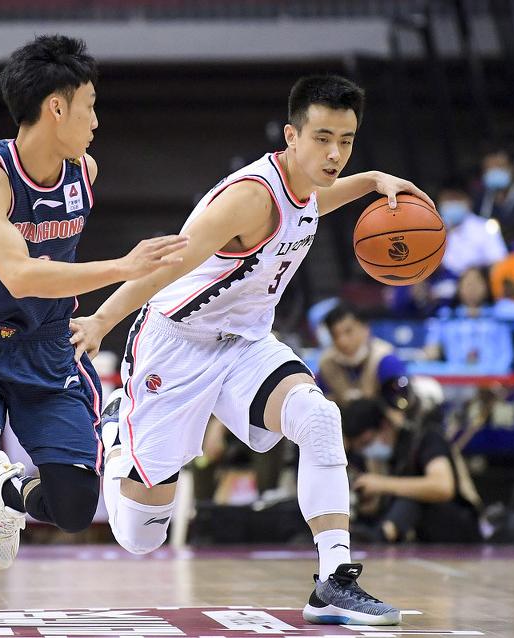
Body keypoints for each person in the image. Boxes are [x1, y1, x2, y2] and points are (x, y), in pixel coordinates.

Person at [71, 75, 434, 626]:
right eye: (322, 138)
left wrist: (375, 181)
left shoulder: (308, 186)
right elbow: (167, 265)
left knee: (318, 417)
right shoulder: (247, 199)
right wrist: (100, 320)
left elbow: (323, 199)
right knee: (142, 537)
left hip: (244, 346)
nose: (335, 153)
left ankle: (333, 580)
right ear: (292, 135)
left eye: (347, 140)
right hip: (175, 346)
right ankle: (118, 438)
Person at [0, 35, 187, 628]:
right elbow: (17, 271)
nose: (96, 119)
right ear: (57, 107)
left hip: (48, 347)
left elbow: (18, 254)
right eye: (89, 104)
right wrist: (124, 266)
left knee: (72, 507)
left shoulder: (84, 171)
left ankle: (10, 498)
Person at [349, 376, 483, 545]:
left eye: (367, 442)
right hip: (427, 534)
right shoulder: (393, 454)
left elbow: (442, 487)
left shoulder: (427, 438)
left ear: (384, 425)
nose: (367, 450)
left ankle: (382, 535)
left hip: (460, 525)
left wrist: (382, 484)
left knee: (414, 494)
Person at [317, 304, 396, 405]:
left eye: (348, 331)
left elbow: (397, 409)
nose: (342, 341)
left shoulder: (385, 359)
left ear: (365, 329)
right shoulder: (326, 363)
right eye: (335, 335)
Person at [438, 180, 507, 276]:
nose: (452, 203)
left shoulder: (484, 227)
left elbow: (498, 259)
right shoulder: (435, 230)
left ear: (468, 202)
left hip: (480, 280)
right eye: (448, 199)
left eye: (456, 199)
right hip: (444, 283)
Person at [474, 147, 514, 228]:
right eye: (489, 169)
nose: (495, 172)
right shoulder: (480, 199)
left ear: (513, 168)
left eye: (500, 167)